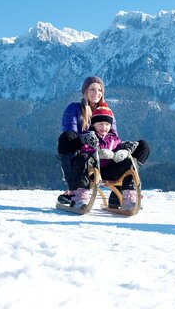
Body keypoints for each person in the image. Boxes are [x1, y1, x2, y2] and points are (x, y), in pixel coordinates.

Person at [57, 76, 149, 207]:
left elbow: (113, 138)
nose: (96, 93)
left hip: (109, 160)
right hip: (85, 159)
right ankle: (75, 190)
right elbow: (70, 132)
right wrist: (85, 140)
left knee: (143, 146)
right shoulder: (74, 109)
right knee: (67, 137)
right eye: (92, 89)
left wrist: (125, 148)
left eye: (99, 90)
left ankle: (120, 192)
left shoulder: (107, 112)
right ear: (85, 91)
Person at [70, 103, 150, 209]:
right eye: (101, 124)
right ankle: (80, 197)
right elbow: (85, 149)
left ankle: (129, 198)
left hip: (111, 170)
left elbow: (118, 149)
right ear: (94, 124)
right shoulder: (89, 137)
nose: (104, 127)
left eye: (107, 124)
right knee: (81, 158)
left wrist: (122, 153)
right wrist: (96, 153)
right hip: (93, 171)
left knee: (130, 161)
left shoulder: (114, 138)